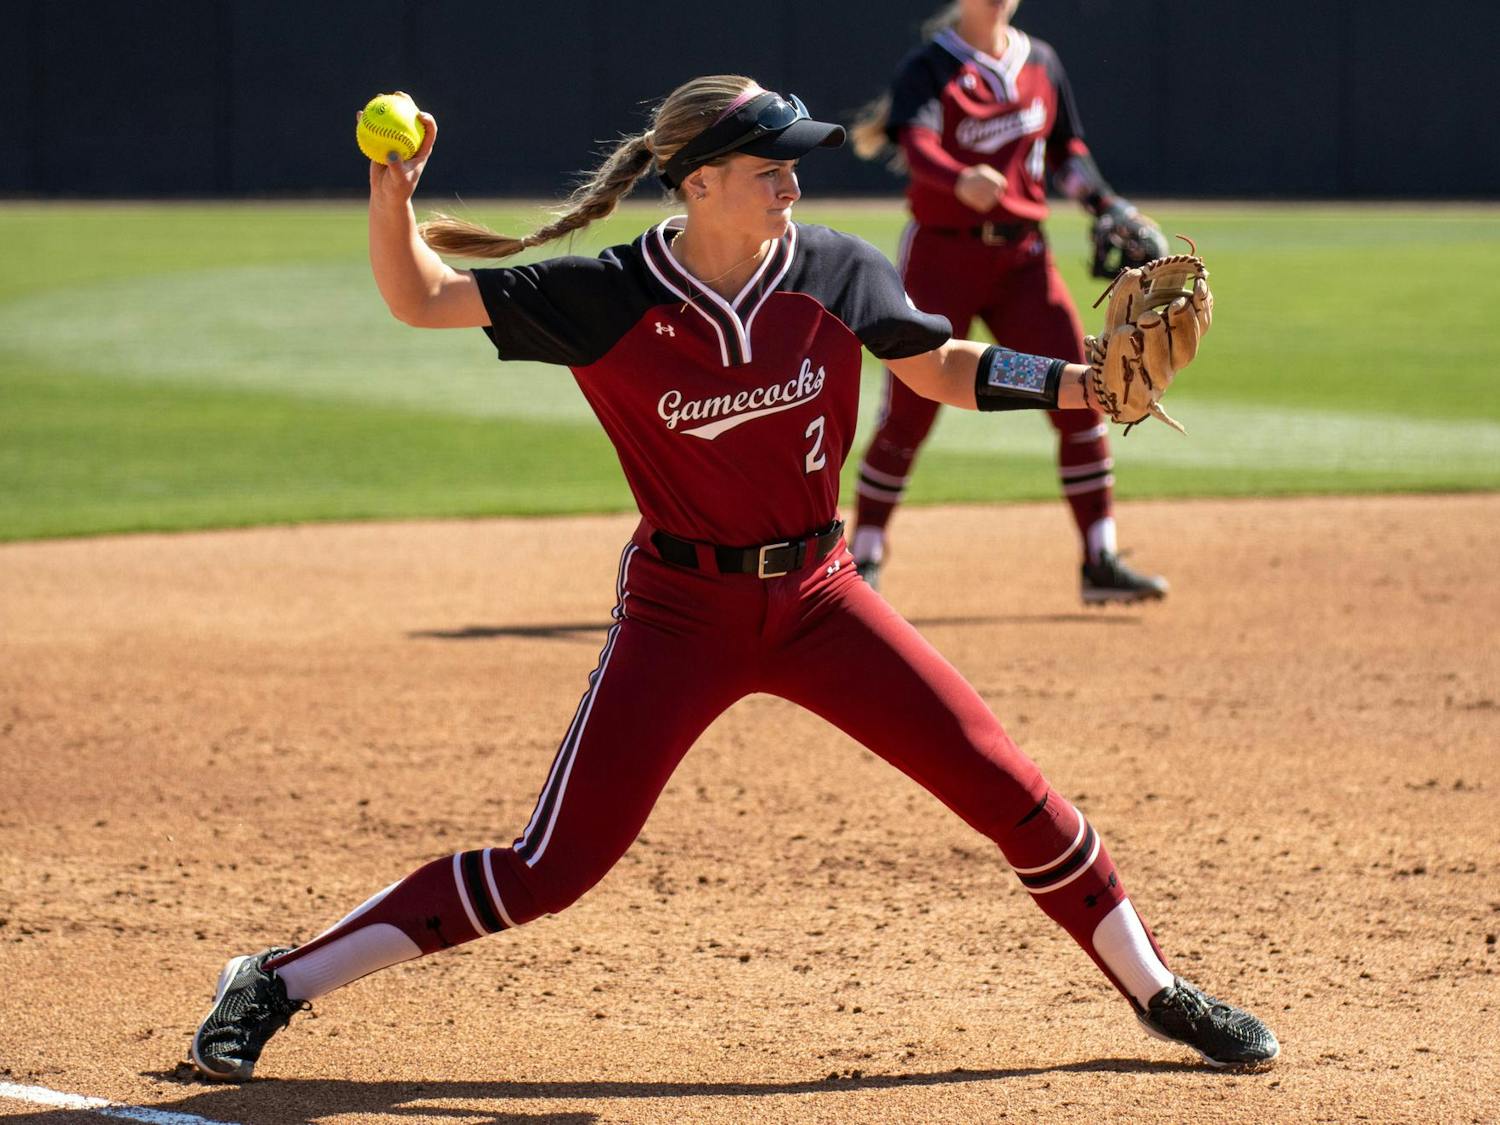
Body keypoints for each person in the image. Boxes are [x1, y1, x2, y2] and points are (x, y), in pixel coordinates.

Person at [188, 74, 1277, 1081]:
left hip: (820, 596)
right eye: (770, 167)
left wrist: (1078, 383)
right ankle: (276, 981)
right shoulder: (606, 294)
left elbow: (935, 364)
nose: (793, 182)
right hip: (680, 613)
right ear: (699, 182)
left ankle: (1161, 990)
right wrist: (392, 196)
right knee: (549, 870)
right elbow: (420, 298)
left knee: (1005, 784)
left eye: (795, 162)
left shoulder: (837, 267)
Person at [847, 0, 1173, 603]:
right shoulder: (932, 65)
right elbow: (917, 144)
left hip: (1023, 256)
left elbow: (1068, 152)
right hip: (942, 255)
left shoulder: (1040, 61)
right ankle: (863, 558)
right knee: (911, 407)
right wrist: (957, 179)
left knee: (1086, 389)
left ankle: (1099, 557)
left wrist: (1108, 205)